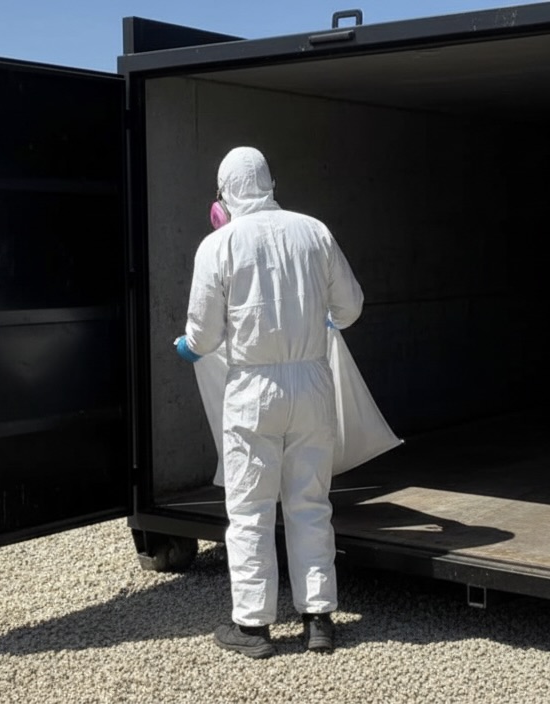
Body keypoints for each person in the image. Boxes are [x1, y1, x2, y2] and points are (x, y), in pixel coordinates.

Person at [174, 146, 364, 659]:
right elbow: (350, 306)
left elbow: (205, 334)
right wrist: (323, 323)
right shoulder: (314, 230)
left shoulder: (218, 244)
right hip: (312, 382)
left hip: (253, 392)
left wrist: (190, 346)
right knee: (309, 503)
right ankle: (319, 619)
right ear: (270, 182)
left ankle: (253, 628)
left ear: (224, 193)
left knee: (251, 510)